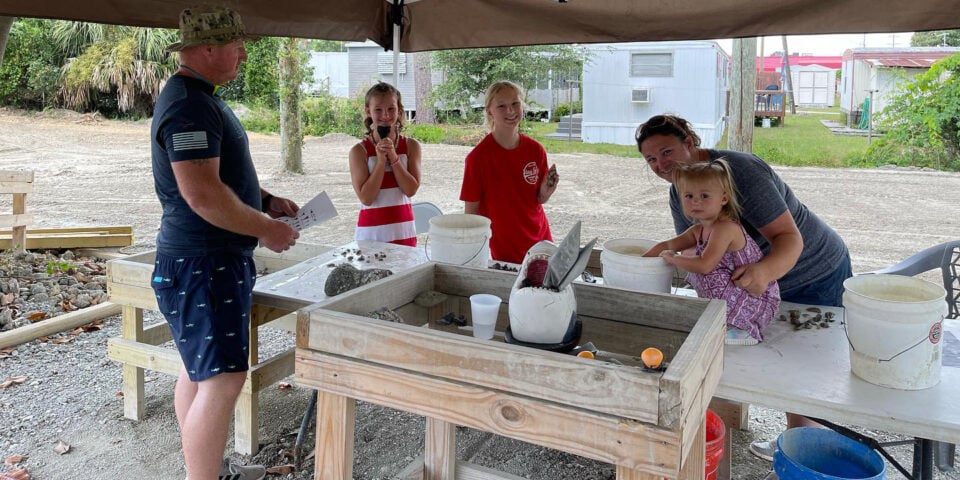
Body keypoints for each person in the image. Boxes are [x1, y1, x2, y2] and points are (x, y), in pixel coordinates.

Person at [635, 114, 852, 461]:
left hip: (813, 270)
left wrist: (764, 272)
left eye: (667, 151)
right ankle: (793, 443)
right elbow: (695, 244)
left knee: (803, 367)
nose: (660, 164)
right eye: (651, 160)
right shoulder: (682, 190)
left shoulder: (739, 171)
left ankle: (802, 450)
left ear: (690, 142)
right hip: (754, 285)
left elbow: (788, 237)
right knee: (766, 358)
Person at [150, 5, 299, 479]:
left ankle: (206, 469)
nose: (243, 53)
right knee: (223, 377)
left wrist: (266, 200)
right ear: (207, 48)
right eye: (235, 45)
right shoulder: (189, 104)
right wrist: (265, 228)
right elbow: (201, 193)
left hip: (201, 261)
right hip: (203, 261)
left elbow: (212, 179)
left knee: (200, 372)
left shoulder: (198, 95)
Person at [643, 159, 780, 345]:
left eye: (705, 196)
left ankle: (742, 331)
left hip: (754, 299)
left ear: (723, 198)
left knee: (707, 271)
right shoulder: (698, 230)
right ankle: (718, 319)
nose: (696, 201)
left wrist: (674, 258)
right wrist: (639, 261)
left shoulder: (725, 228)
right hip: (732, 297)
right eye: (689, 196)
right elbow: (668, 244)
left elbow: (705, 265)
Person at [460, 80, 559, 264]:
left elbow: (538, 199)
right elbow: (471, 217)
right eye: (502, 106)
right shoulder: (478, 158)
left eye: (515, 104)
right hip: (505, 248)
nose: (511, 111)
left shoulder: (536, 150)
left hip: (540, 240)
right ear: (490, 111)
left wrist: (545, 193)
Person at [349, 82, 421, 246]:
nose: (385, 115)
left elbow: (410, 190)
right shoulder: (359, 151)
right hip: (371, 236)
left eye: (391, 109)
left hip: (404, 231)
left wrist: (394, 158)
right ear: (368, 111)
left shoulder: (411, 146)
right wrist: (380, 162)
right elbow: (366, 198)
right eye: (378, 110)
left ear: (399, 109)